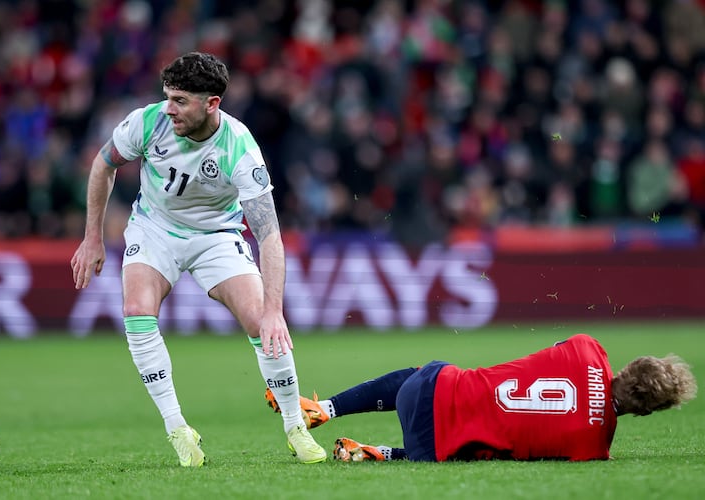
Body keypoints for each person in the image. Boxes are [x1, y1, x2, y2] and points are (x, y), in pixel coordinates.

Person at [70, 52, 326, 466]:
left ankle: (295, 425)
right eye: (168, 96)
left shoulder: (240, 148)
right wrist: (92, 238)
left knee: (262, 322)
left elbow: (270, 235)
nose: (169, 108)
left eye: (181, 100)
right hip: (154, 229)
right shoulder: (148, 121)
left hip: (216, 236)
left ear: (212, 104)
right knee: (137, 309)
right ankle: (177, 428)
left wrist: (274, 310)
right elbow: (103, 165)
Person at [266, 333, 697, 462]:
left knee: (427, 375)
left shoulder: (587, 348)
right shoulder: (593, 447)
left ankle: (327, 407)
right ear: (648, 411)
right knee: (494, 446)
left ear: (630, 366)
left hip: (426, 391)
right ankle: (381, 453)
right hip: (431, 450)